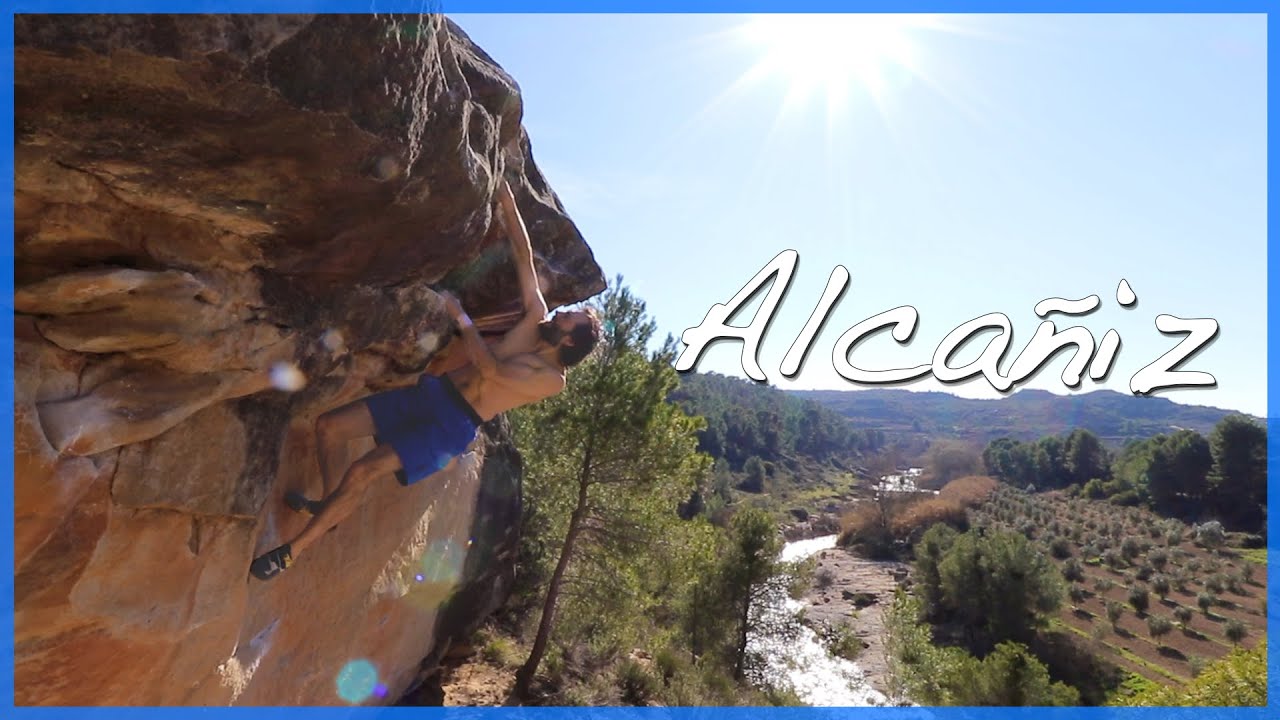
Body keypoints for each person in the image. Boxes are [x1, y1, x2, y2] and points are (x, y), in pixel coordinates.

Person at [250, 181, 602, 580]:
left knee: (363, 472)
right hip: (432, 394)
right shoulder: (533, 319)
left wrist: (462, 319)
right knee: (328, 428)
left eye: (572, 316)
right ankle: (331, 509)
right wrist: (505, 196)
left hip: (451, 427)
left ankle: (290, 552)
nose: (563, 312)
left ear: (573, 339)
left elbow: (490, 371)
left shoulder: (551, 380)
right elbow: (523, 254)